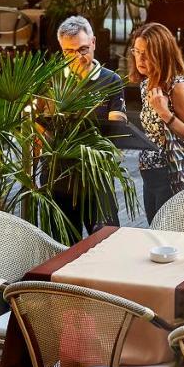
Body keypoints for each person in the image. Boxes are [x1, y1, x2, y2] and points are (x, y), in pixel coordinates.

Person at [130, 22, 184, 222]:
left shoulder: (177, 87)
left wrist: (164, 112)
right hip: (150, 173)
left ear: (162, 54)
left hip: (173, 174)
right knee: (154, 232)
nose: (140, 58)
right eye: (137, 51)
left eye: (147, 53)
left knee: (168, 235)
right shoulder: (146, 84)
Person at [52, 15, 127, 234]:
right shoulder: (52, 79)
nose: (78, 57)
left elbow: (116, 128)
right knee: (62, 246)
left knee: (107, 240)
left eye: (83, 49)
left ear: (93, 42)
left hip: (97, 176)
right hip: (59, 176)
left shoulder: (111, 80)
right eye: (69, 52)